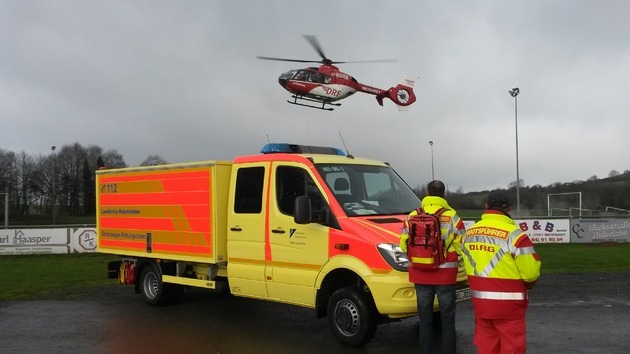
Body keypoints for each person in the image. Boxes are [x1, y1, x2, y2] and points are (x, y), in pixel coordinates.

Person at [461, 190, 541, 354]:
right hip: (509, 306)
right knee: (512, 348)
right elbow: (531, 274)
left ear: (486, 207)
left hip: (481, 304)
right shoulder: (516, 236)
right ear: (509, 209)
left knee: (486, 347)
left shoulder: (469, 233)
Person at [400, 180, 466, 354]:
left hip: (420, 273)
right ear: (443, 194)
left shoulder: (413, 215)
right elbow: (461, 245)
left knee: (425, 319)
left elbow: (403, 244)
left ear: (427, 194)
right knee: (447, 319)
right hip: (445, 275)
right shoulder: (452, 216)